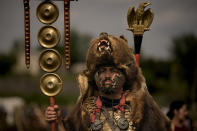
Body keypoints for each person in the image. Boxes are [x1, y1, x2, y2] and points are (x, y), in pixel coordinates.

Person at [45, 33, 171, 131]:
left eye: (112, 70)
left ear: (124, 73)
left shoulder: (141, 107)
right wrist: (57, 121)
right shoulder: (85, 109)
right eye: (102, 70)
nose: (107, 76)